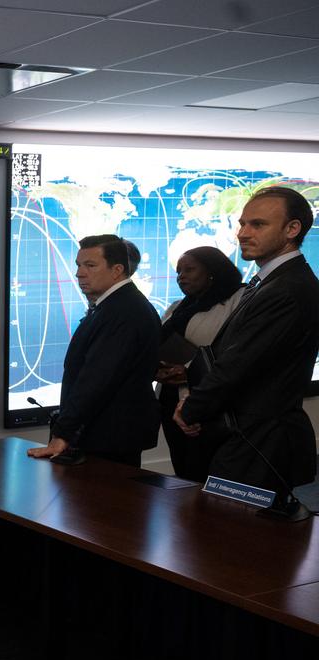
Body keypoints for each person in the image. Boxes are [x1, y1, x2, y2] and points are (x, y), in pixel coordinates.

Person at [175, 186, 319, 500]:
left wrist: (192, 408)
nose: (243, 232)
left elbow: (238, 364)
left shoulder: (288, 289)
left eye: (258, 224)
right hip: (246, 438)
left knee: (237, 542)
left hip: (260, 442)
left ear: (292, 229)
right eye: (242, 223)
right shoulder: (271, 283)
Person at [28, 234, 160, 467]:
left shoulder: (124, 311)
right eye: (78, 265)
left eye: (90, 265)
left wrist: (63, 434)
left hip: (111, 437)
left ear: (117, 269)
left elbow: (97, 378)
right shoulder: (113, 306)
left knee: (109, 502)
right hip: (103, 434)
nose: (80, 273)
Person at [155, 247, 244, 482]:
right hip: (170, 397)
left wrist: (190, 372)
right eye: (178, 271)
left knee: (205, 473)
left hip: (209, 401)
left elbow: (236, 351)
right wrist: (157, 369)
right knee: (183, 473)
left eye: (189, 269)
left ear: (212, 270)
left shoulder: (238, 300)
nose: (181, 276)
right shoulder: (177, 307)